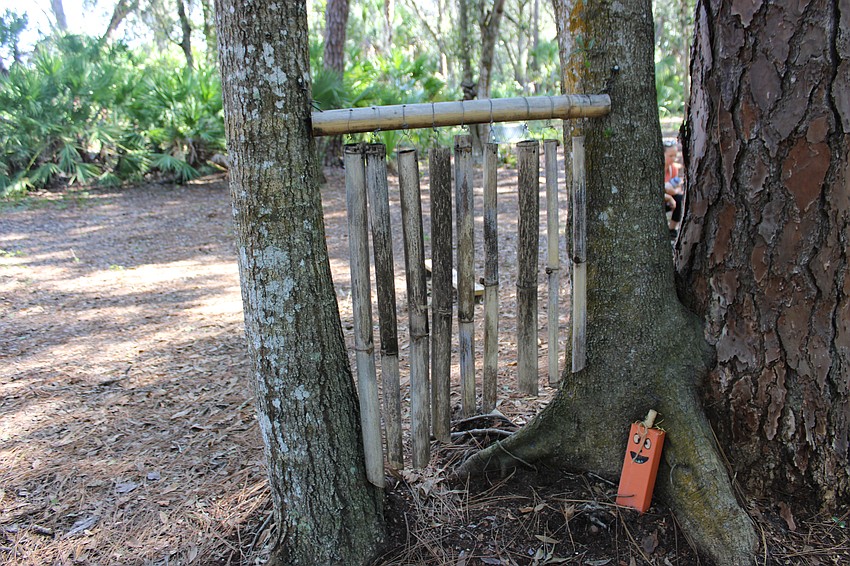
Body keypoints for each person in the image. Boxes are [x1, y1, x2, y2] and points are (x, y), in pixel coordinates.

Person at [663, 140, 684, 237]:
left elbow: (677, 188)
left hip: (669, 200)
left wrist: (673, 192)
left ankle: (672, 228)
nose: (673, 159)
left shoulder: (673, 169)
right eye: (670, 156)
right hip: (661, 199)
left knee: (680, 198)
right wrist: (669, 197)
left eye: (675, 156)